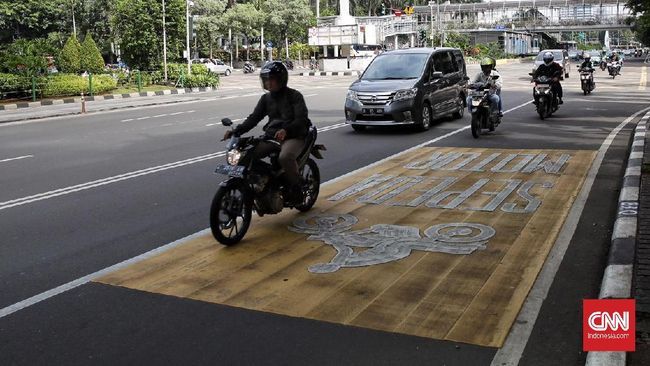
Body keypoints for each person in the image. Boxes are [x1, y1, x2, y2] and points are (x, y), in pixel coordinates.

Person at [223, 61, 311, 203]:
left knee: (285, 157)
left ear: (281, 79)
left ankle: (296, 187)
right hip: (272, 136)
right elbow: (254, 118)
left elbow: (301, 119)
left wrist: (286, 130)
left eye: (272, 79)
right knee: (245, 155)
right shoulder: (266, 99)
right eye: (266, 80)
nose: (268, 83)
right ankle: (266, 181)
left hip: (294, 135)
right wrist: (236, 131)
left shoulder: (294, 96)